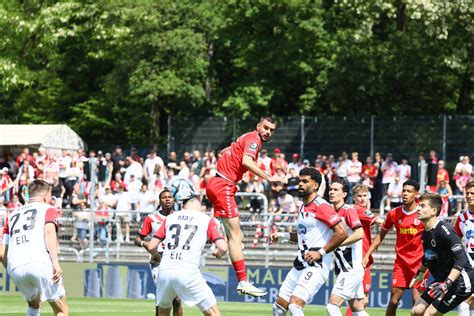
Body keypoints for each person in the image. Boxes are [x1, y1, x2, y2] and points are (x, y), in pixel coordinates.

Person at [206, 117, 285, 297]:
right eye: (265, 128)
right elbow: (247, 162)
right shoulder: (255, 139)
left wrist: (230, 155)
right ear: (258, 126)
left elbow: (225, 151)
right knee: (235, 236)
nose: (268, 132)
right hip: (223, 185)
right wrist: (269, 177)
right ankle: (243, 282)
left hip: (218, 183)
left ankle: (218, 245)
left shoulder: (246, 136)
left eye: (271, 130)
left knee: (238, 237)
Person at [143, 179, 228, 316]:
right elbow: (223, 248)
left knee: (162, 313)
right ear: (197, 202)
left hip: (164, 271)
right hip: (188, 271)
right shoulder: (207, 220)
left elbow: (152, 246)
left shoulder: (170, 218)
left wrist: (156, 256)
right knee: (213, 313)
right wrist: (218, 253)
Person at [271, 167, 348, 316]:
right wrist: (282, 235)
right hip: (300, 262)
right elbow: (302, 236)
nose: (300, 184)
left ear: (315, 186)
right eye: (300, 180)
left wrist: (321, 252)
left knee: (295, 306)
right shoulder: (302, 207)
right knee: (278, 308)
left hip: (316, 266)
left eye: (305, 181)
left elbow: (342, 232)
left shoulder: (322, 206)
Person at [2, 179, 69, 315]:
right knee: (61, 309)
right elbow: (49, 231)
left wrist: (11, 269)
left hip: (16, 267)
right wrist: (55, 263)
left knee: (34, 305)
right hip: (40, 263)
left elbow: (1, 252)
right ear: (46, 196)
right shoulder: (48, 209)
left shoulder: (12, 215)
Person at [363, 179, 426, 316]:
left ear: (416, 194)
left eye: (409, 191)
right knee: (393, 301)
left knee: (418, 305)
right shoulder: (394, 213)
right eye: (404, 190)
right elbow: (381, 235)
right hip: (401, 264)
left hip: (419, 265)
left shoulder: (423, 213)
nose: (405, 194)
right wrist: (368, 254)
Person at [411, 193, 474, 315]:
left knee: (428, 314)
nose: (418, 208)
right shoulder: (425, 233)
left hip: (461, 282)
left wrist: (446, 284)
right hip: (441, 280)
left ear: (434, 211)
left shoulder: (445, 231)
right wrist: (420, 274)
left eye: (422, 206)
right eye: (418, 205)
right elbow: (428, 256)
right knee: (416, 311)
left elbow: (461, 259)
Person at [135, 188, 183, 316]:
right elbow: (138, 238)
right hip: (158, 261)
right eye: (164, 197)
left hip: (175, 260)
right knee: (163, 299)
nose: (167, 199)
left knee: (177, 300)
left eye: (170, 197)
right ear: (160, 200)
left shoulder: (180, 217)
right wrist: (148, 246)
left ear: (174, 200)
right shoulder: (152, 218)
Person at [326, 178, 366, 315]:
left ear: (344, 194)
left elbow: (360, 233)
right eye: (330, 189)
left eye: (335, 190)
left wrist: (337, 242)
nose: (331, 192)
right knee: (357, 309)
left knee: (332, 306)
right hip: (343, 268)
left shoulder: (348, 210)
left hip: (351, 268)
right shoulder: (329, 212)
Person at [346, 184, 384, 316]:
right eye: (359, 196)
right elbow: (383, 222)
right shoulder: (359, 210)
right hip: (361, 256)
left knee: (359, 298)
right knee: (361, 299)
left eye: (364, 196)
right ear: (354, 198)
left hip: (360, 255)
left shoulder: (355, 211)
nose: (362, 199)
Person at [453, 181, 474, 316]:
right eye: (468, 193)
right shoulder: (462, 218)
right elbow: (454, 241)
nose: (470, 196)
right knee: (466, 299)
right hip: (469, 261)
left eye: (473, 193)